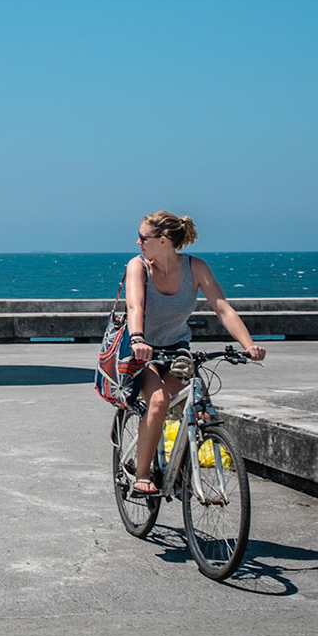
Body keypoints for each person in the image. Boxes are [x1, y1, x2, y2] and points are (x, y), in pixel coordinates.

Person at [123, 210, 266, 496]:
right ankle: (141, 473)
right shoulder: (138, 267)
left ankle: (178, 467)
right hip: (140, 350)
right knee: (159, 400)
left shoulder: (196, 268)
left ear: (164, 240)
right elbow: (134, 307)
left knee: (195, 403)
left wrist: (248, 344)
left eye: (143, 237)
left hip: (177, 349)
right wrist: (138, 338)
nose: (137, 242)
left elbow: (222, 308)